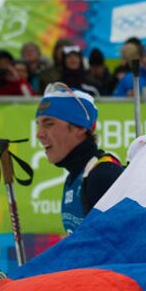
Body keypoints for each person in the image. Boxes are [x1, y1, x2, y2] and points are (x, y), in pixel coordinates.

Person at [36, 82, 124, 235]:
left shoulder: (103, 176)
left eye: (49, 124)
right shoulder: (75, 176)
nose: (39, 134)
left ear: (80, 127)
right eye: (38, 125)